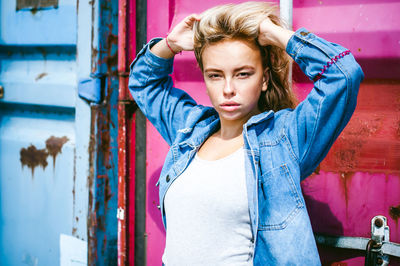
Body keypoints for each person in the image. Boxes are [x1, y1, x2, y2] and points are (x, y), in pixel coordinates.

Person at [129, 2, 363, 265]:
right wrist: (169, 45)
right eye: (215, 75)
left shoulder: (284, 139)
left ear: (264, 79)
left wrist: (272, 33)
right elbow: (144, 83)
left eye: (242, 74)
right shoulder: (189, 130)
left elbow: (343, 75)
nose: (228, 89)